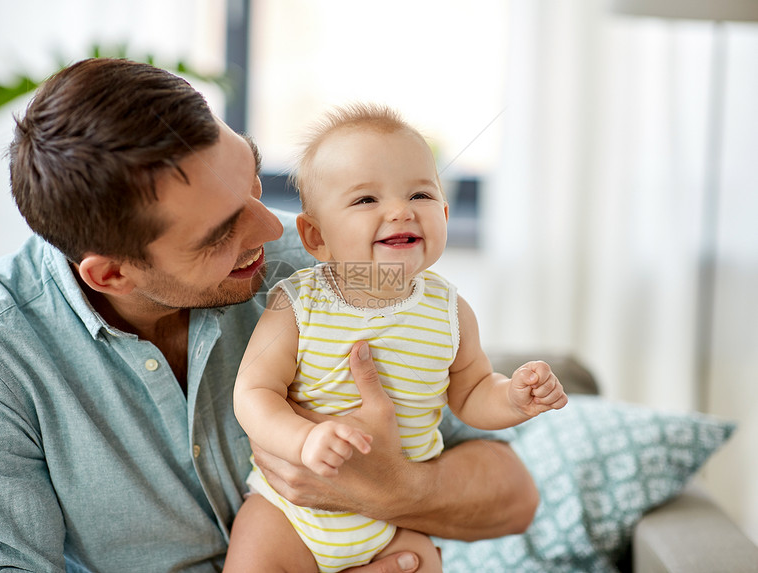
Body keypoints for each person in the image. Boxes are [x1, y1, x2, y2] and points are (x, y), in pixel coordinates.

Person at [0, 59, 539, 572]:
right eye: (219, 232)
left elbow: (513, 497)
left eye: (256, 182)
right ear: (111, 274)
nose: (274, 228)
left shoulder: (328, 272)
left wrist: (393, 490)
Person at [225, 104, 568, 573]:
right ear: (315, 237)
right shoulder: (299, 304)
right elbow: (253, 393)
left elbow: (471, 392)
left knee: (422, 563)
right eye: (366, 200)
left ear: (445, 214)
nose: (400, 211)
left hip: (395, 523)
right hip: (288, 515)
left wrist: (513, 396)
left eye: (421, 195)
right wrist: (305, 439)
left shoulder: (450, 312)